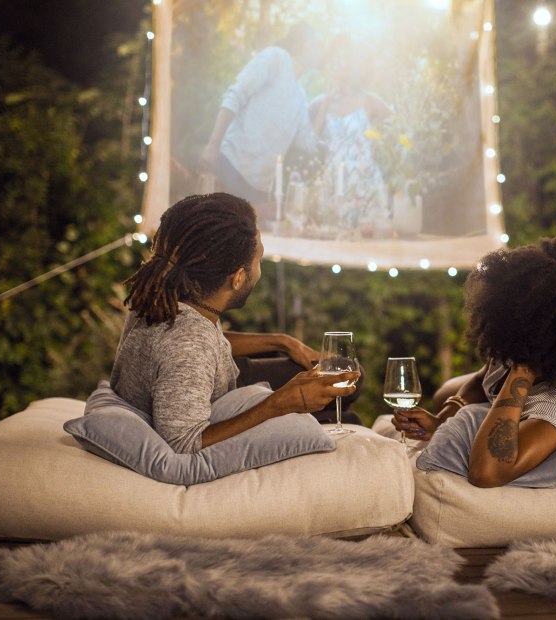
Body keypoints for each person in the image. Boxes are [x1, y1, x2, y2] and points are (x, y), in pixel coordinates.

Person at [110, 192, 360, 453]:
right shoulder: (189, 344)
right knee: (349, 414)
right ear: (238, 277)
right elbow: (184, 443)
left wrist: (283, 342)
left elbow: (192, 346)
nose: (260, 267)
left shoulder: (164, 296)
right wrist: (281, 403)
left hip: (214, 381)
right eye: (259, 259)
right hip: (211, 403)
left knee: (347, 372)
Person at [392, 238, 556, 487]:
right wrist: (442, 419)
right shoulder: (516, 338)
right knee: (444, 394)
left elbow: (486, 473)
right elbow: (483, 376)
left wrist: (523, 371)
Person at [200, 23, 322, 215]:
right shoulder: (276, 57)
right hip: (231, 167)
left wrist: (326, 103)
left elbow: (306, 142)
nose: (321, 52)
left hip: (258, 189)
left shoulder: (300, 95)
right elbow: (236, 95)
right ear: (306, 44)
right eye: (318, 45)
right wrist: (213, 145)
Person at [309, 35, 390, 229]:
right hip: (333, 184)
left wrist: (379, 148)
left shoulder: (371, 101)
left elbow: (398, 137)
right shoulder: (320, 103)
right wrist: (327, 100)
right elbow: (310, 140)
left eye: (357, 62)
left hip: (365, 183)